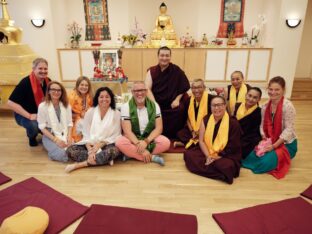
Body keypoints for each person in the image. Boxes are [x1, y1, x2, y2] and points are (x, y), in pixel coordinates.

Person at [242, 77, 298, 179]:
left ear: (283, 90)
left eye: (277, 90)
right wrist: (263, 138)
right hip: (270, 140)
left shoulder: (288, 106)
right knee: (249, 157)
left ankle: (283, 156)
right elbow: (262, 125)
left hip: (285, 144)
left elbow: (289, 129)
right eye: (271, 89)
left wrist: (274, 146)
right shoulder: (265, 106)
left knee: (265, 163)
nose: (273, 92)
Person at [184, 96, 242, 184]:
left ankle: (211, 170)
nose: (216, 108)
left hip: (224, 155)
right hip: (207, 150)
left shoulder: (233, 123)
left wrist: (216, 157)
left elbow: (233, 146)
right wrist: (208, 156)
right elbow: (201, 140)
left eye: (219, 105)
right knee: (188, 154)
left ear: (225, 106)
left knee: (227, 166)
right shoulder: (206, 119)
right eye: (213, 105)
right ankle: (219, 175)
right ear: (210, 107)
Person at [65, 87, 122, 173]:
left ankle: (80, 165)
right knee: (70, 151)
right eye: (101, 97)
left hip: (107, 143)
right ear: (97, 98)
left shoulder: (116, 113)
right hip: (90, 142)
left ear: (111, 99)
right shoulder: (91, 112)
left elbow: (116, 135)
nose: (104, 99)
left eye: (107, 97)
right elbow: (86, 132)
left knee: (114, 151)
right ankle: (103, 159)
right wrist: (90, 150)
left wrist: (100, 145)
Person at [115, 81, 170, 166]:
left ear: (146, 91)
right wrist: (139, 145)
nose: (139, 93)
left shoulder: (155, 105)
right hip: (133, 138)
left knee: (166, 143)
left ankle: (131, 154)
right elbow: (127, 131)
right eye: (136, 91)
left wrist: (146, 142)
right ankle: (152, 157)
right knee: (119, 142)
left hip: (149, 137)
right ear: (132, 92)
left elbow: (159, 128)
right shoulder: (126, 106)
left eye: (142, 90)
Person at [145, 46, 190, 139]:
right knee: (150, 110)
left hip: (172, 102)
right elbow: (147, 89)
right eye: (162, 55)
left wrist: (177, 100)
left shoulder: (176, 70)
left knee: (180, 109)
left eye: (167, 56)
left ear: (170, 57)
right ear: (158, 56)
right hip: (156, 100)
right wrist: (154, 104)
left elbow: (184, 86)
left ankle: (174, 135)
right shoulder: (151, 71)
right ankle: (156, 133)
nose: (164, 58)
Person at [7, 58, 50, 146]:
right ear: (33, 69)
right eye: (40, 68)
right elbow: (10, 103)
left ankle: (41, 130)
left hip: (40, 112)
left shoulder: (48, 81)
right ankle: (32, 136)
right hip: (24, 114)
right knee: (33, 125)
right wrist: (29, 116)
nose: (43, 71)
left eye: (45, 69)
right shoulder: (25, 83)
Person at [37, 81, 73, 162]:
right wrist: (56, 140)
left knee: (74, 150)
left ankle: (53, 150)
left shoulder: (66, 105)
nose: (56, 92)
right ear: (49, 91)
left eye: (59, 90)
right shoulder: (42, 106)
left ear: (62, 92)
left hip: (64, 132)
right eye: (53, 89)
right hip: (50, 134)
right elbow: (42, 127)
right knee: (62, 155)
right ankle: (53, 152)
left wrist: (69, 137)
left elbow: (69, 123)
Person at [175, 79, 214, 148]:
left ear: (204, 88)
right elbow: (187, 118)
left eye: (199, 87)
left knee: (212, 136)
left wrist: (200, 132)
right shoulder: (188, 100)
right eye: (194, 88)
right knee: (180, 134)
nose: (196, 90)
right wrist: (192, 131)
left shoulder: (211, 99)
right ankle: (198, 143)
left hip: (207, 129)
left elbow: (213, 119)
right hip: (193, 130)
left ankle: (188, 143)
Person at [234, 87, 262, 159]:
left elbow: (255, 130)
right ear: (246, 95)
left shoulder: (259, 111)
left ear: (259, 99)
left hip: (249, 137)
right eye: (249, 96)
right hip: (235, 133)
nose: (251, 99)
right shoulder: (237, 105)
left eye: (255, 97)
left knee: (238, 149)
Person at [68, 76, 93, 142]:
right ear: (77, 85)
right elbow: (67, 113)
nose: (84, 87)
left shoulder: (89, 96)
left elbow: (92, 108)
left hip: (85, 118)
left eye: (86, 85)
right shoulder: (72, 96)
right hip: (74, 121)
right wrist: (79, 115)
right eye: (82, 85)